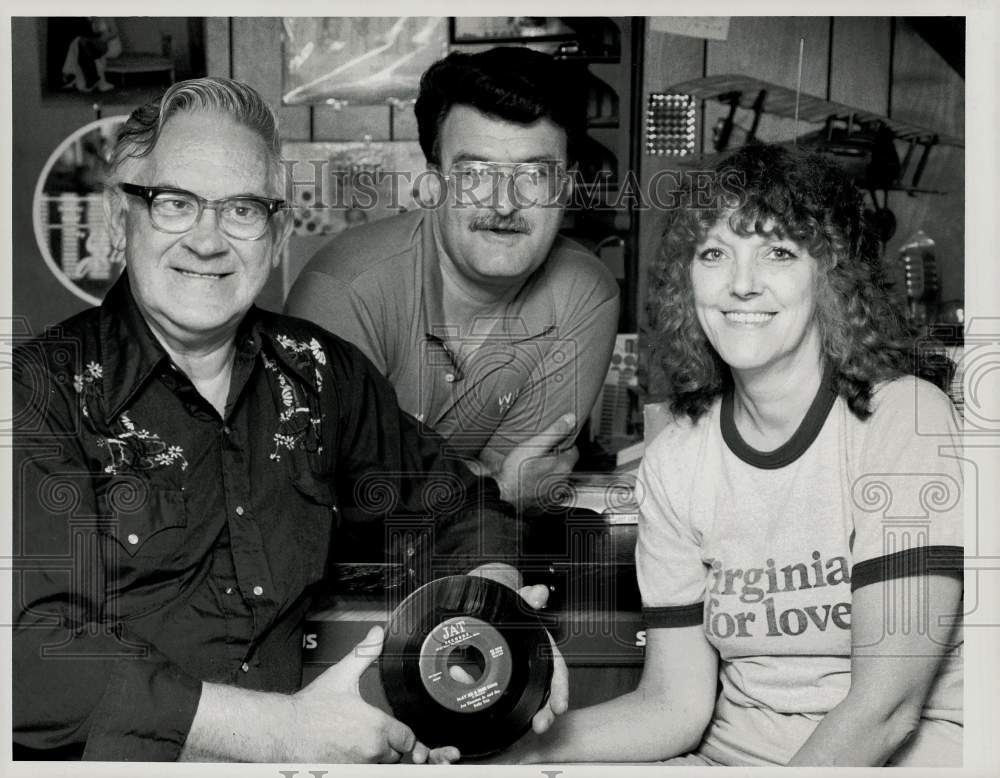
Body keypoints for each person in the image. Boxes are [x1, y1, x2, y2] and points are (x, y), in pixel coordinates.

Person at [12, 77, 566, 762]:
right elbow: (28, 656)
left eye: (243, 209)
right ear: (122, 219)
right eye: (176, 204)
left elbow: (452, 502)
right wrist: (282, 731)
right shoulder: (36, 393)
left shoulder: (318, 374)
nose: (209, 240)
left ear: (276, 236)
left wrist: (497, 611)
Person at [497, 144, 963, 766]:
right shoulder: (677, 462)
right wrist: (515, 757)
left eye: (778, 252)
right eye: (715, 253)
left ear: (831, 276)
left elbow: (886, 709)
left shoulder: (902, 418)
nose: (742, 284)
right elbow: (673, 706)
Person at [285, 47, 620, 512]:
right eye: (474, 173)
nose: (504, 204)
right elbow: (334, 503)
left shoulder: (583, 293)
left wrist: (444, 486)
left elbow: (524, 483)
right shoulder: (346, 290)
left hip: (486, 564)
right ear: (434, 183)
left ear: (564, 190)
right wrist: (496, 489)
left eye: (534, 175)